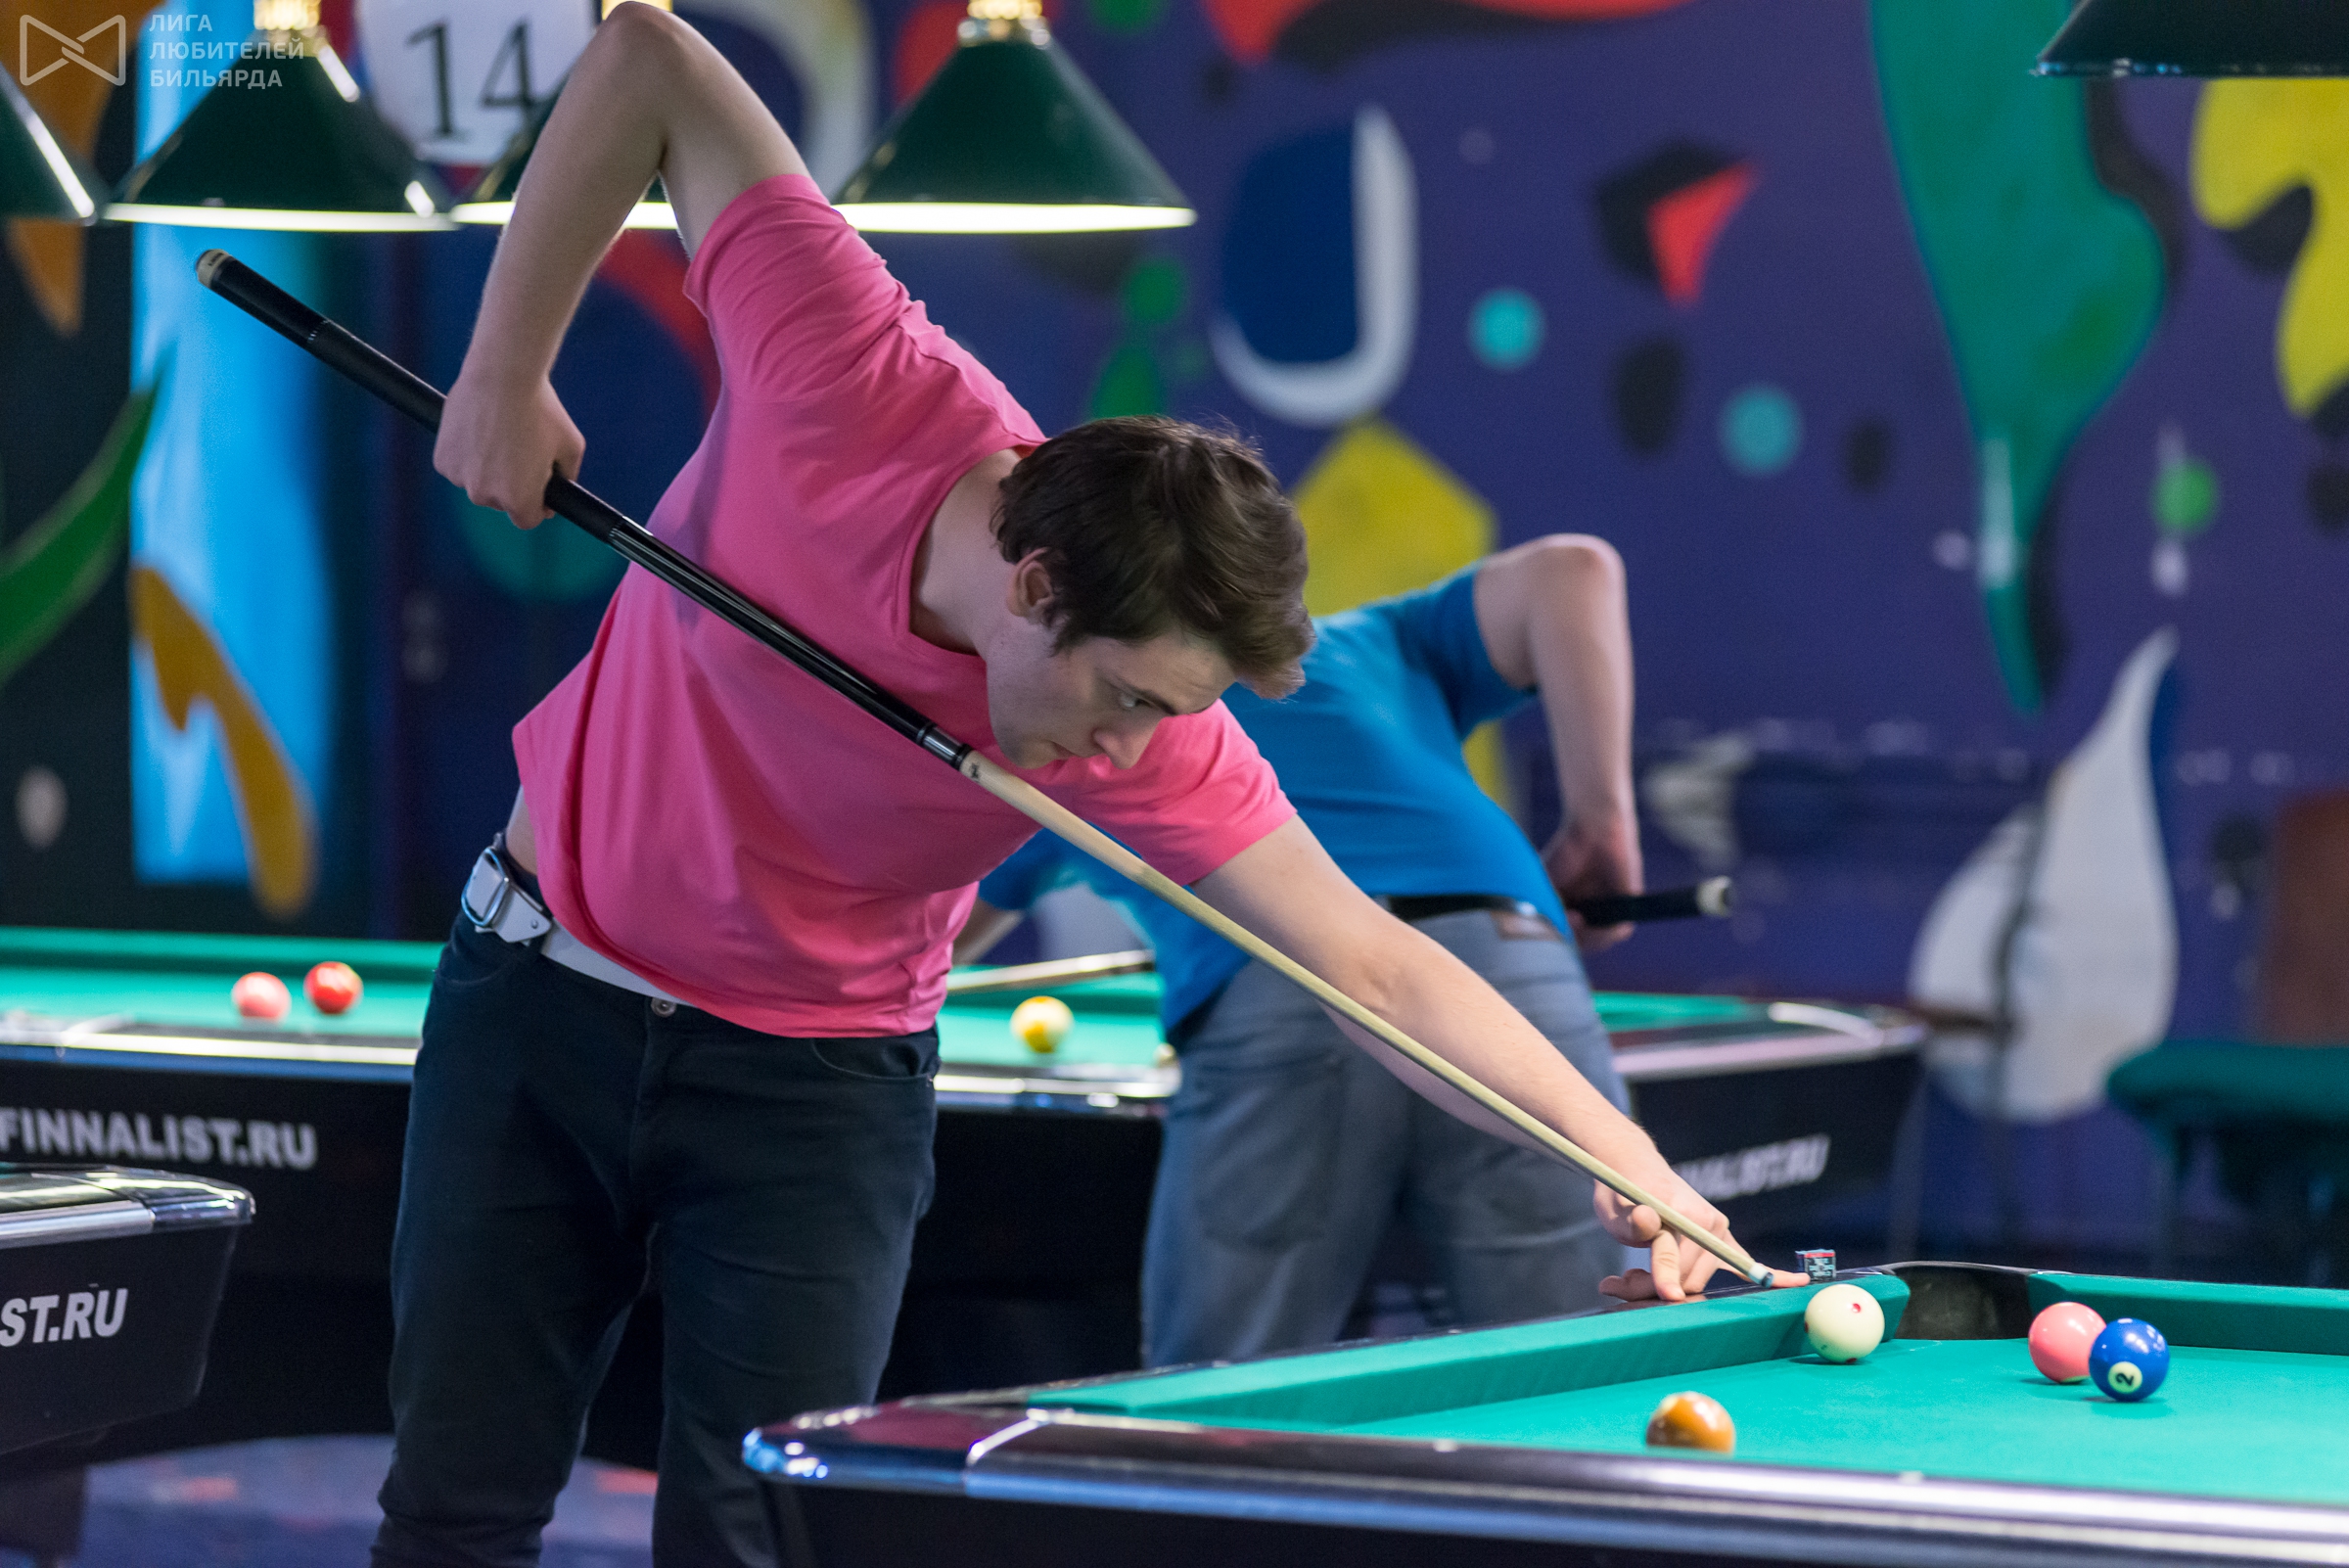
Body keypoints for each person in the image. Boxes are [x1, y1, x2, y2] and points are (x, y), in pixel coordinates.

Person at [390, 6, 1789, 1563]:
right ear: (1037, 582)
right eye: (1125, 699)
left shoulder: (1153, 736)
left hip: (814, 1091)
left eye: (1165, 717)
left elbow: (1377, 965)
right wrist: (506, 370)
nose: (1129, 756)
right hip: (541, 989)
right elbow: (646, 57)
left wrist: (1628, 1159)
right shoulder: (848, 368)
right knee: (456, 1507)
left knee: (760, 1538)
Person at [960, 537, 1660, 1366]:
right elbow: (1576, 570)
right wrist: (1601, 825)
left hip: (1276, 990)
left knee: (1218, 1406)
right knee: (1581, 1373)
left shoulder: (1078, 725)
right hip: (1512, 977)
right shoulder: (1375, 640)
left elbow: (932, 947)